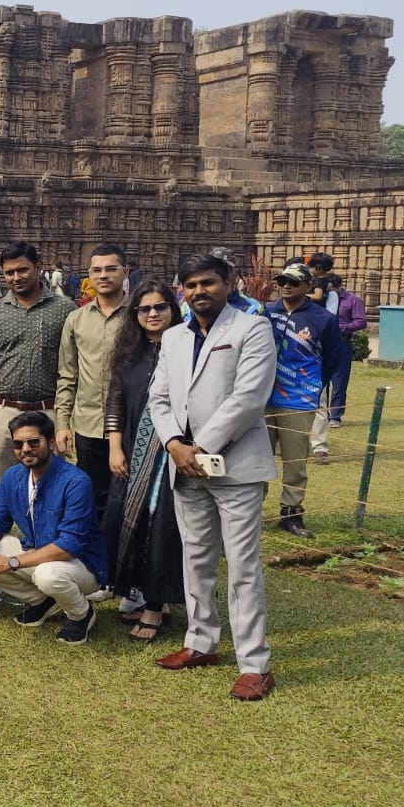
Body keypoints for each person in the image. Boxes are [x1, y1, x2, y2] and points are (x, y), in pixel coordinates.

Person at [147, 252, 278, 700]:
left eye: (208, 282)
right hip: (184, 466)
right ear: (181, 290)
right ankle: (201, 642)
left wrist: (200, 448)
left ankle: (255, 665)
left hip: (235, 466)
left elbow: (249, 398)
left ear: (229, 283)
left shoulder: (251, 328)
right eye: (191, 285)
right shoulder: (174, 337)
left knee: (242, 567)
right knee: (196, 559)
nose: (199, 291)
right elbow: (159, 398)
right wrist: (174, 445)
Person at [0, 411, 107, 645]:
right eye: (18, 444)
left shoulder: (76, 481)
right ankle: (42, 602)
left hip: (82, 565)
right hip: (38, 553)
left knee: (47, 575)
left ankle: (81, 614)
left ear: (51, 443)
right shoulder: (13, 476)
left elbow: (68, 545)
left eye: (33, 442)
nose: (25, 449)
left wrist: (10, 562)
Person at [103, 279, 186, 643]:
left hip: (171, 454)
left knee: (162, 524)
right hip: (132, 453)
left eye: (160, 307)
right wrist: (115, 448)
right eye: (144, 309)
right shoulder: (129, 352)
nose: (152, 314)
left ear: (172, 309)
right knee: (129, 520)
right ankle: (137, 591)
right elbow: (116, 402)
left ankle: (155, 605)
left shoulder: (187, 348)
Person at [0, 241, 73, 511]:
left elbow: (71, 366)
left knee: (52, 490)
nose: (16, 277)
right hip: (1, 410)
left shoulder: (64, 310)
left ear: (38, 267)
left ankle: (47, 538)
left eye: (22, 270)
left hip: (47, 411)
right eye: (9, 272)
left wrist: (64, 417)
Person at [262, 262, 343, 538]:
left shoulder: (323, 319)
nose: (286, 286)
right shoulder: (266, 312)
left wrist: (313, 385)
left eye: (294, 282)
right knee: (256, 459)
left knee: (295, 461)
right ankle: (249, 512)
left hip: (298, 398)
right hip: (260, 397)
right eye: (282, 281)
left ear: (309, 285)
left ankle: (291, 514)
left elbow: (333, 358)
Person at [54, 242, 130, 523]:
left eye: (111, 269)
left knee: (129, 498)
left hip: (129, 423)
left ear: (125, 272)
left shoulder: (140, 315)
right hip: (88, 424)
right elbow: (67, 375)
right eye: (96, 270)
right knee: (92, 499)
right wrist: (62, 423)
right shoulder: (76, 319)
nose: (103, 275)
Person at [322, 273, 367, 431]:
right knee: (321, 380)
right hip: (323, 343)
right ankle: (321, 414)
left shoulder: (352, 300)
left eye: (331, 290)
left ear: (339, 286)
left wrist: (342, 328)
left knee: (339, 382)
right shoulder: (323, 298)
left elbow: (361, 322)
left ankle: (335, 416)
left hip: (341, 343)